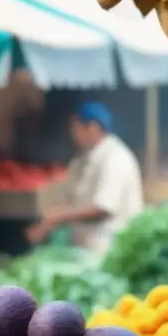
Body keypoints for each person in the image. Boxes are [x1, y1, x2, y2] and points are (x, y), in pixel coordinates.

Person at [26, 102, 143, 255]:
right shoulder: (83, 158)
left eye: (76, 127)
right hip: (85, 247)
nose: (72, 133)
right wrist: (49, 219)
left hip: (109, 247)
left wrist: (58, 217)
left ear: (93, 127)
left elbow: (102, 208)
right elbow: (72, 195)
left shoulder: (114, 158)